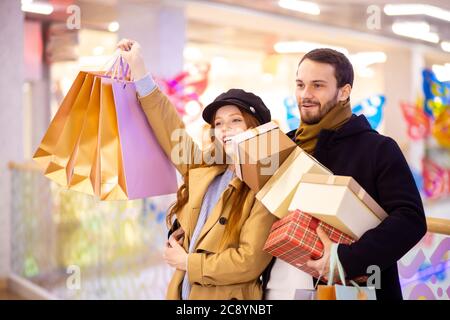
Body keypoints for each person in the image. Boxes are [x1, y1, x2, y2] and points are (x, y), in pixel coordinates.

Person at [117, 39, 277, 300]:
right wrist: (138, 70)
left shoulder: (265, 184)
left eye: (236, 120)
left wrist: (188, 262)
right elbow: (171, 129)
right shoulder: (205, 167)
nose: (225, 129)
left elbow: (249, 262)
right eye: (219, 123)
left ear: (256, 128)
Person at [264, 48, 427, 300]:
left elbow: (411, 220)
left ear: (344, 91)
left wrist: (346, 258)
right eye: (300, 84)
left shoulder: (378, 149)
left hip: (352, 289)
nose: (305, 95)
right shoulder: (285, 145)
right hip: (279, 288)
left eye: (317, 85)